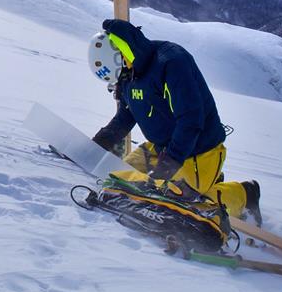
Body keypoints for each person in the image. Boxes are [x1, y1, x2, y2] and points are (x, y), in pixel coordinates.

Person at [92, 19, 262, 224]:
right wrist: (98, 144)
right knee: (118, 179)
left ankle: (245, 193)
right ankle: (206, 180)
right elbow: (126, 116)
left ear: (120, 57)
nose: (120, 81)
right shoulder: (129, 73)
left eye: (119, 75)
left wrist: (170, 162)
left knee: (184, 206)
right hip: (160, 147)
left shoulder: (172, 62)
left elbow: (191, 118)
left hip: (199, 151)